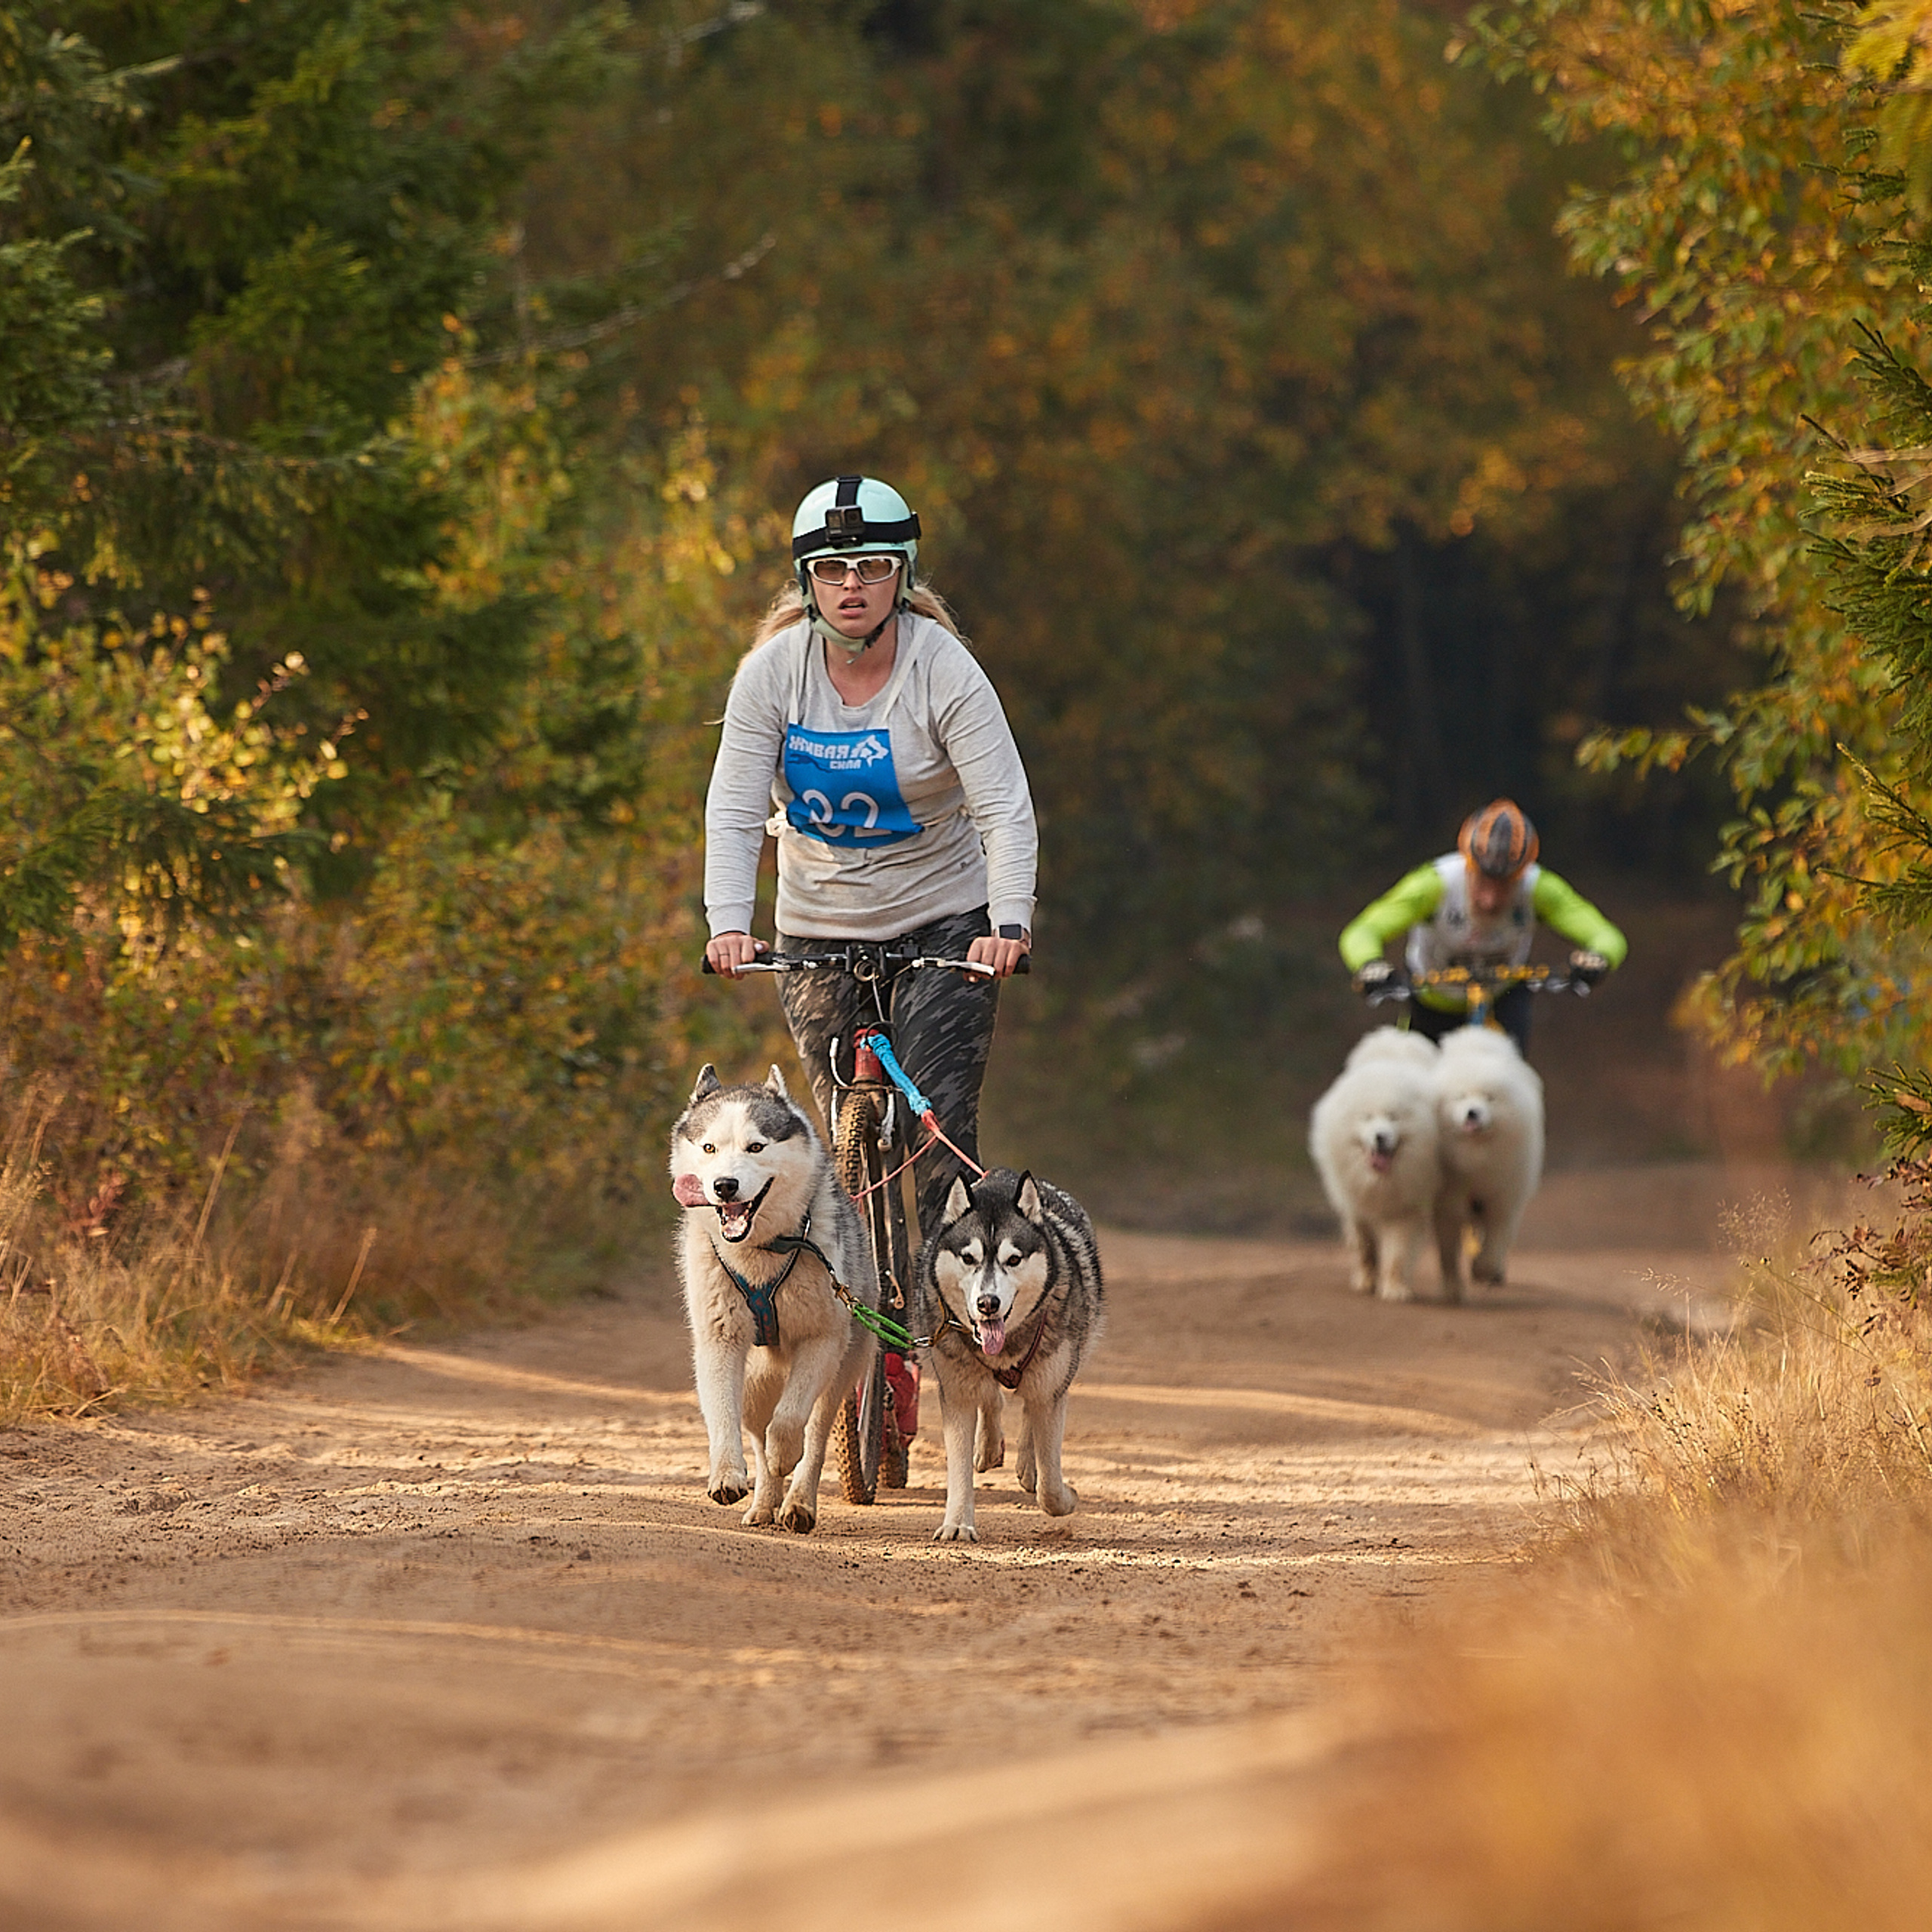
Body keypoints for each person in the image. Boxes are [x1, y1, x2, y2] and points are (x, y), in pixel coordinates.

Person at [702, 473, 1036, 1240]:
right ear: (806, 580)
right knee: (836, 1142)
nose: (851, 585)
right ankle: (859, 1298)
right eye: (831, 569)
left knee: (939, 1129)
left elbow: (1003, 807)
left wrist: (1009, 924)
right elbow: (734, 810)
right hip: (817, 928)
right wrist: (728, 924)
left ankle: (947, 1297)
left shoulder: (942, 669)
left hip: (944, 923)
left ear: (902, 575)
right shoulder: (771, 674)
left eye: (872, 566)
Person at [1337, 798, 1626, 1054]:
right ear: (1468, 865)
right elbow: (1363, 931)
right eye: (1482, 881)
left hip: (1502, 1001)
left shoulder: (1539, 888)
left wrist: (1598, 959)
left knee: (1509, 1086)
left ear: (1522, 874)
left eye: (1505, 885)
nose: (1490, 900)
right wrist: (1369, 964)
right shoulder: (1434, 885)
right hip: (1432, 1004)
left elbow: (1605, 935)